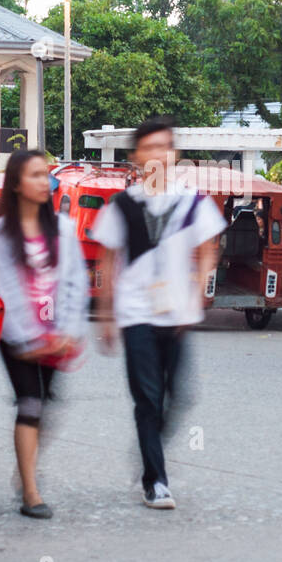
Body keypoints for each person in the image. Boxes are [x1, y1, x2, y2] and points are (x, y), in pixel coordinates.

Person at [94, 117, 225, 510]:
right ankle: (156, 480)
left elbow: (208, 249)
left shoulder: (192, 202)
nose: (158, 155)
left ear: (175, 155)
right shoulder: (123, 204)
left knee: (180, 397)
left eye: (165, 147)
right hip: (136, 314)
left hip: (178, 314)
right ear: (136, 156)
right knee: (147, 400)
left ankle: (148, 448)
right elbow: (107, 259)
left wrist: (199, 289)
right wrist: (106, 316)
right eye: (149, 148)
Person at [0, 150, 89, 519]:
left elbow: (76, 282)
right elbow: (3, 289)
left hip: (57, 334)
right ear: (16, 184)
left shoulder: (61, 228)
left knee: (48, 405)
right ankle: (30, 491)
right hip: (17, 337)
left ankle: (24, 468)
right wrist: (29, 339)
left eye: (47, 175)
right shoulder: (0, 234)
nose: (45, 182)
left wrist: (67, 331)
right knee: (30, 402)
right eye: (35, 175)